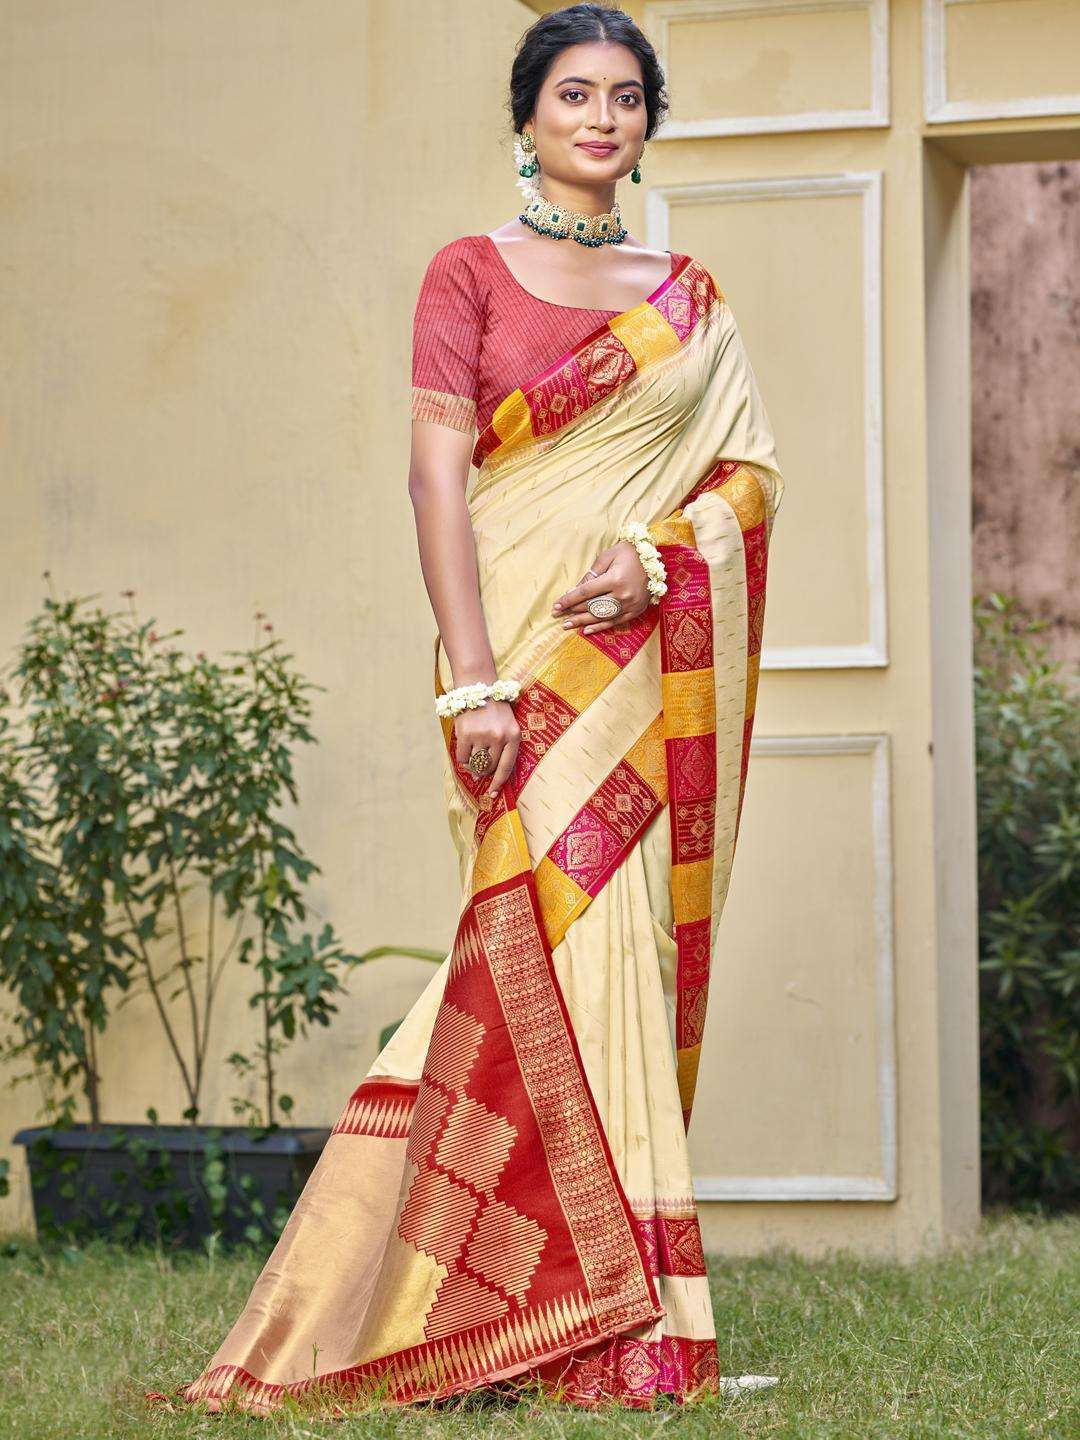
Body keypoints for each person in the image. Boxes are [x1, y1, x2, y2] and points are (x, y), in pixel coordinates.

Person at [171, 2, 784, 1415]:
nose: (601, 117)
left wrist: (659, 559)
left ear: (648, 122)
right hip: (511, 661)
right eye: (574, 93)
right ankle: (447, 1308)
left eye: (625, 96)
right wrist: (472, 680)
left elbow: (748, 478)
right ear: (526, 117)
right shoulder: (469, 272)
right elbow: (435, 479)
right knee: (526, 942)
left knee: (610, 956)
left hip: (636, 664)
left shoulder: (690, 299)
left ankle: (602, 1321)